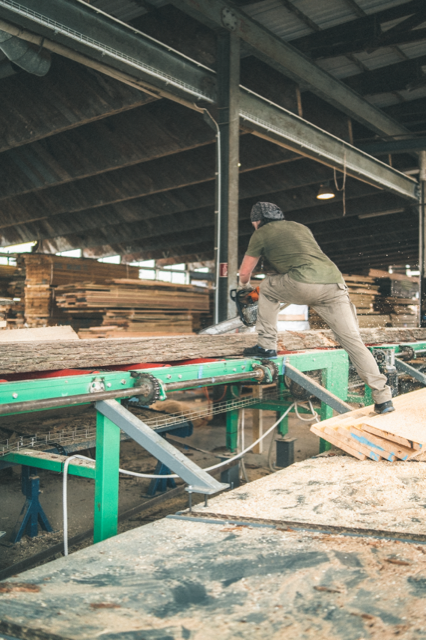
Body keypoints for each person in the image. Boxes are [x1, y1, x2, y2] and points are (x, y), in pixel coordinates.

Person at [239, 201, 394, 414]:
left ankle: (266, 345)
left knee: (266, 287)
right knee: (354, 342)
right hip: (334, 284)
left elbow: (245, 272)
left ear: (257, 221)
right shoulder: (300, 227)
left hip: (303, 282)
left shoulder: (261, 232)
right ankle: (383, 398)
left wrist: (244, 287)